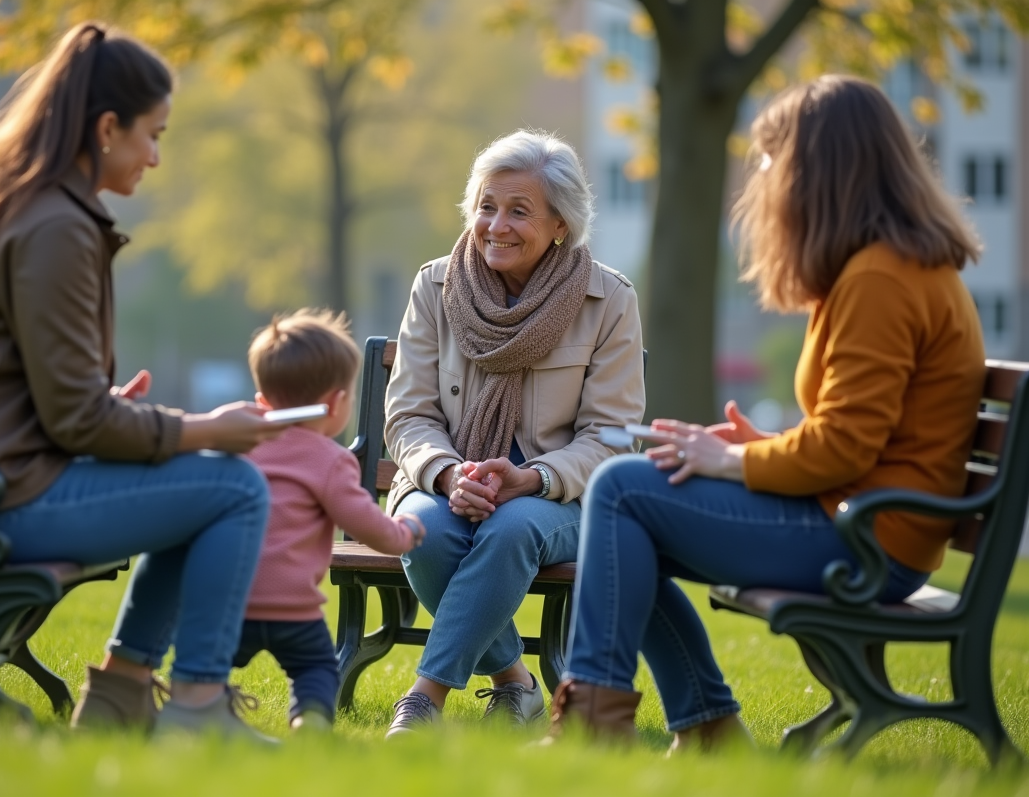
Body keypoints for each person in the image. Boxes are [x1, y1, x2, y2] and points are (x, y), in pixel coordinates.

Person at [549, 76, 986, 750]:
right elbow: (861, 435)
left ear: (820, 169)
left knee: (619, 491)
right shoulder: (885, 269)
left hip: (868, 543)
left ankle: (597, 725)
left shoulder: (878, 278)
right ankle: (706, 727)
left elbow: (845, 449)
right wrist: (762, 447)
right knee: (632, 511)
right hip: (869, 525)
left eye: (771, 157)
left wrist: (733, 460)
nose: (763, 175)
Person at [0, 22, 292, 740]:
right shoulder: (54, 226)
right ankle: (196, 707)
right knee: (233, 484)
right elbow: (75, 421)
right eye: (151, 135)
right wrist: (205, 429)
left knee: (197, 478)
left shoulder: (26, 204)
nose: (156, 157)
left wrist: (117, 412)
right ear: (108, 127)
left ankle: (122, 694)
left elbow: (37, 395)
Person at [383, 129, 646, 736]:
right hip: (447, 478)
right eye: (486, 206)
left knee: (510, 527)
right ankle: (517, 684)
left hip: (560, 498)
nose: (496, 225)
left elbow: (611, 436)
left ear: (561, 224)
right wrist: (449, 475)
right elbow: (408, 415)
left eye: (518, 211)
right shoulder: (435, 285)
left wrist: (532, 477)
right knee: (421, 530)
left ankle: (425, 697)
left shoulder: (608, 300)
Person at [237, 309, 426, 732]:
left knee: (208, 658)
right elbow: (362, 522)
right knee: (316, 668)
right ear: (338, 403)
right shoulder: (330, 460)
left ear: (262, 401)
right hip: (294, 609)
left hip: (232, 602)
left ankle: (197, 698)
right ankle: (310, 717)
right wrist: (403, 534)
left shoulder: (241, 449)